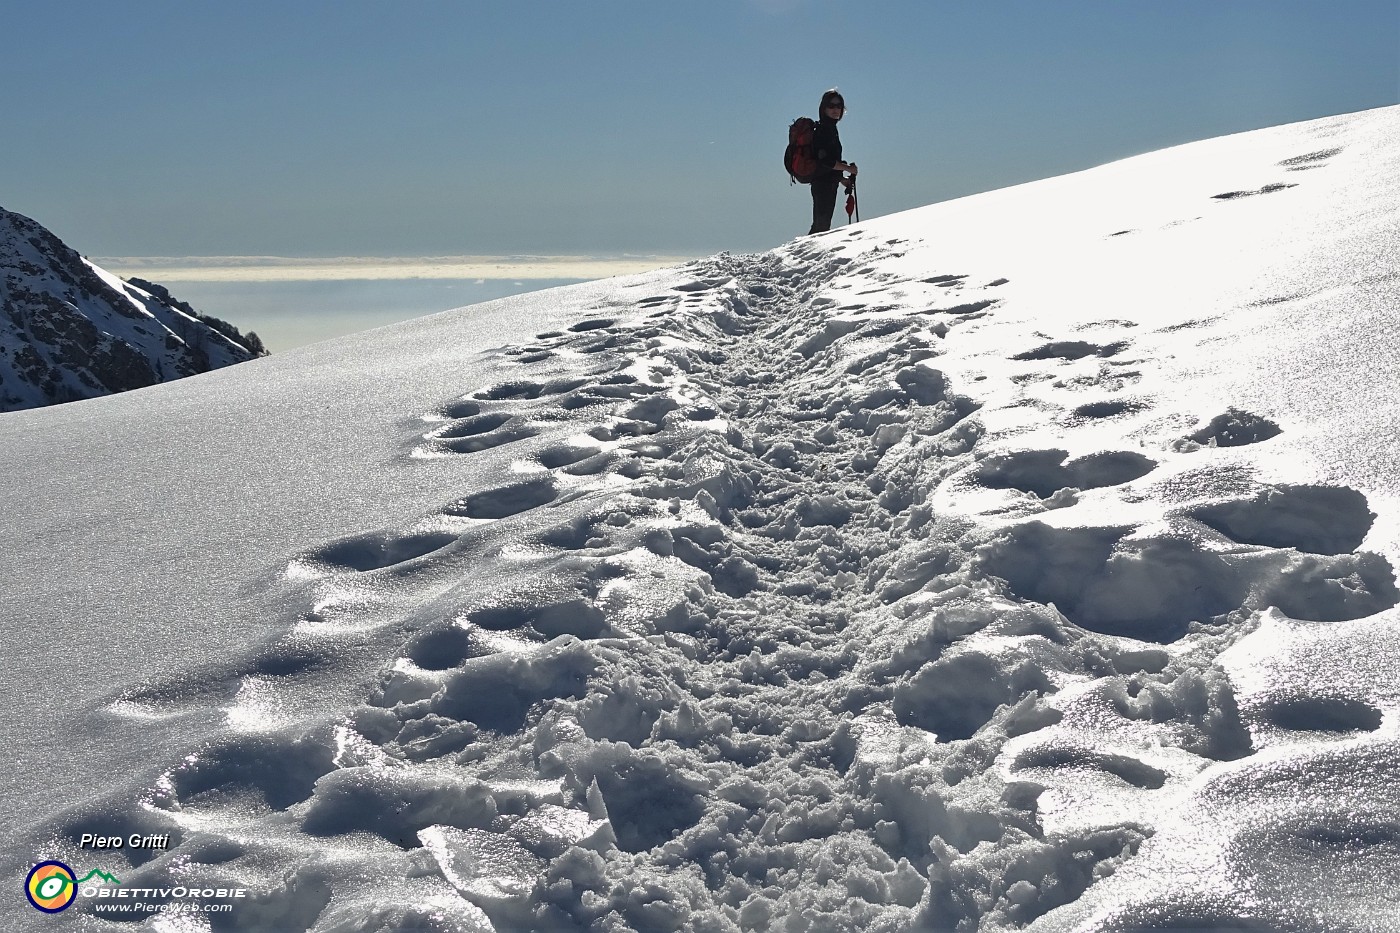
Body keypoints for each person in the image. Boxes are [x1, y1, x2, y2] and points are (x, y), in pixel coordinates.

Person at [809, 89, 858, 235]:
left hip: (825, 183)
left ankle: (806, 255)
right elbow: (826, 161)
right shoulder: (824, 129)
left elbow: (828, 166)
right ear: (823, 108)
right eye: (831, 106)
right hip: (823, 185)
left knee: (821, 225)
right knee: (821, 226)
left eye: (839, 106)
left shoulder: (830, 128)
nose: (836, 109)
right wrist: (848, 169)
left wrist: (842, 179)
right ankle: (805, 256)